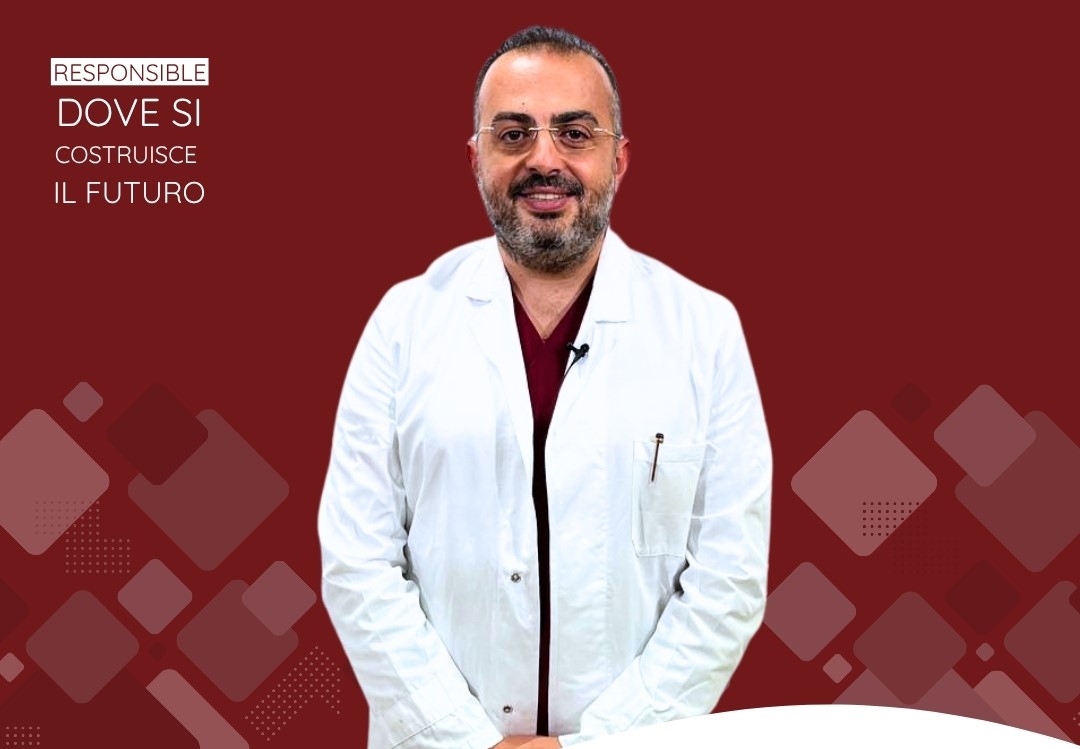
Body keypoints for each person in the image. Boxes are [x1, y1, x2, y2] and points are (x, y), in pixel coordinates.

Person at [318, 26, 772, 749]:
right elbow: (358, 562)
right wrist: (462, 739)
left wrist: (604, 743)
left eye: (575, 133)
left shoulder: (703, 331)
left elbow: (729, 579)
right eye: (513, 134)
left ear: (619, 159)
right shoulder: (403, 323)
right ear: (476, 159)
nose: (544, 159)